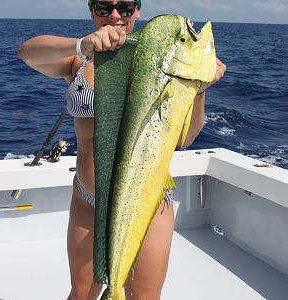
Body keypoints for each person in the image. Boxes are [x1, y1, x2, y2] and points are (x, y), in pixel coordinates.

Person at [19, 1, 226, 299]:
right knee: (81, 294)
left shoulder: (167, 67)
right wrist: (82, 45)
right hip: (87, 200)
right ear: (92, 12)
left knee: (141, 296)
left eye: (125, 7)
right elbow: (28, 52)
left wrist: (199, 88)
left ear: (137, 12)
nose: (115, 15)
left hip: (147, 204)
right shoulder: (79, 60)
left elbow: (186, 138)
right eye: (104, 7)